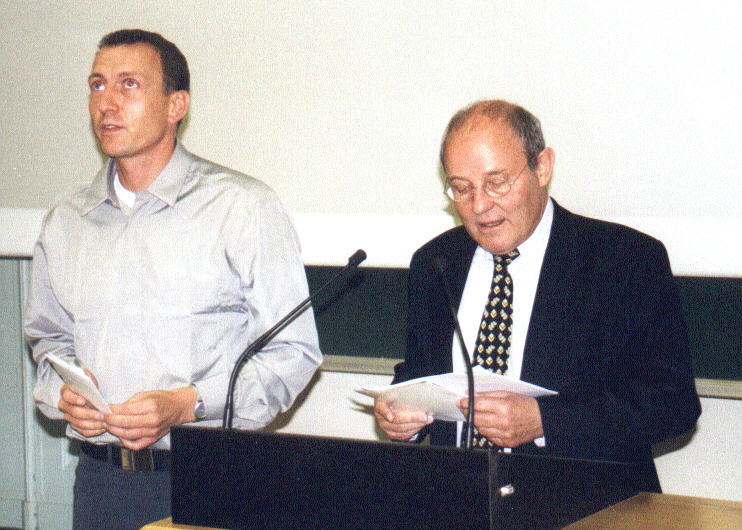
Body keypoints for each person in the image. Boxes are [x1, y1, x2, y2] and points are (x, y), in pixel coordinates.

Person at [25, 29, 321, 529]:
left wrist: (188, 405)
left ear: (175, 105)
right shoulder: (67, 219)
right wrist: (64, 394)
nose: (107, 103)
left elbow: (294, 353)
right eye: (97, 85)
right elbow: (48, 340)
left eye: (129, 84)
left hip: (208, 479)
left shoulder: (241, 207)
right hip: (100, 482)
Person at [374, 99, 700, 493]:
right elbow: (421, 372)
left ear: (542, 167)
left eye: (497, 183)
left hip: (587, 505)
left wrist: (546, 421)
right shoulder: (435, 262)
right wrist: (400, 415)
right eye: (461, 188)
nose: (479, 205)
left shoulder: (624, 260)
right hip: (459, 501)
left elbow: (673, 403)